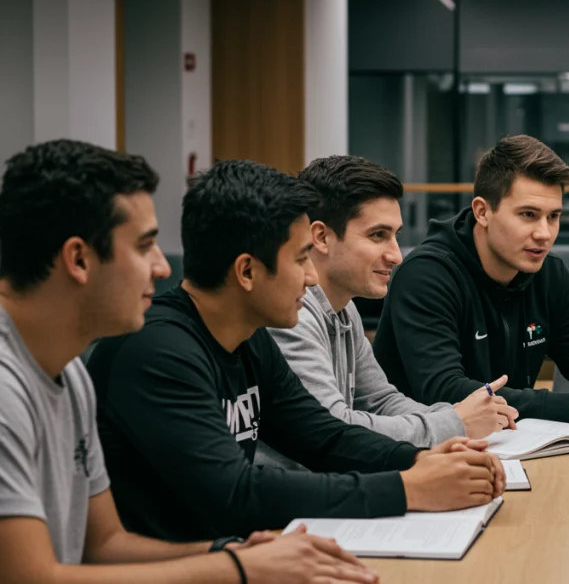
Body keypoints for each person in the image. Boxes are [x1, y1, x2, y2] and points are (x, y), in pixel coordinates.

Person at [0, 141, 378, 584]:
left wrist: (236, 552)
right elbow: (31, 577)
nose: (162, 268)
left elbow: (103, 546)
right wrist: (236, 567)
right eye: (144, 246)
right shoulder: (8, 388)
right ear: (79, 259)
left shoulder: (69, 374)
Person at [87, 160, 503, 544]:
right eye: (301, 258)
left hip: (238, 551)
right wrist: (406, 487)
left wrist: (422, 459)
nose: (310, 277)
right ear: (247, 271)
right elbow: (236, 492)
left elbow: (322, 436)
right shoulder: (158, 352)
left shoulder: (249, 336)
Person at [373, 135, 569, 423]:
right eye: (528, 215)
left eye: (553, 216)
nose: (544, 234)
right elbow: (443, 390)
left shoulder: (549, 273)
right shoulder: (425, 276)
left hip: (514, 439)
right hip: (426, 443)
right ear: (482, 212)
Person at [257, 156, 517, 470]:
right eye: (378, 235)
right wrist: (454, 423)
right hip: (298, 492)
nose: (396, 255)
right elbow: (334, 427)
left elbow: (380, 400)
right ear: (321, 237)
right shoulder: (292, 316)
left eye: (395, 236)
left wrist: (460, 416)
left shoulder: (344, 308)